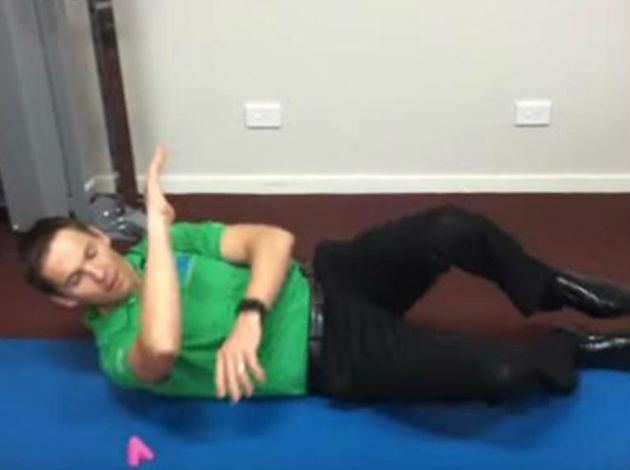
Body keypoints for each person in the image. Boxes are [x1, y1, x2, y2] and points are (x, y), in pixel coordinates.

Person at [17, 146, 630, 405]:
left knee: (450, 226)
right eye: (75, 280)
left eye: (89, 253)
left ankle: (550, 287)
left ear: (100, 238)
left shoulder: (173, 243)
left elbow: (273, 240)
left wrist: (250, 316)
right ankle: (570, 346)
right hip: (334, 354)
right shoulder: (117, 350)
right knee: (502, 374)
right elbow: (162, 346)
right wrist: (154, 225)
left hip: (333, 278)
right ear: (68, 302)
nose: (96, 273)